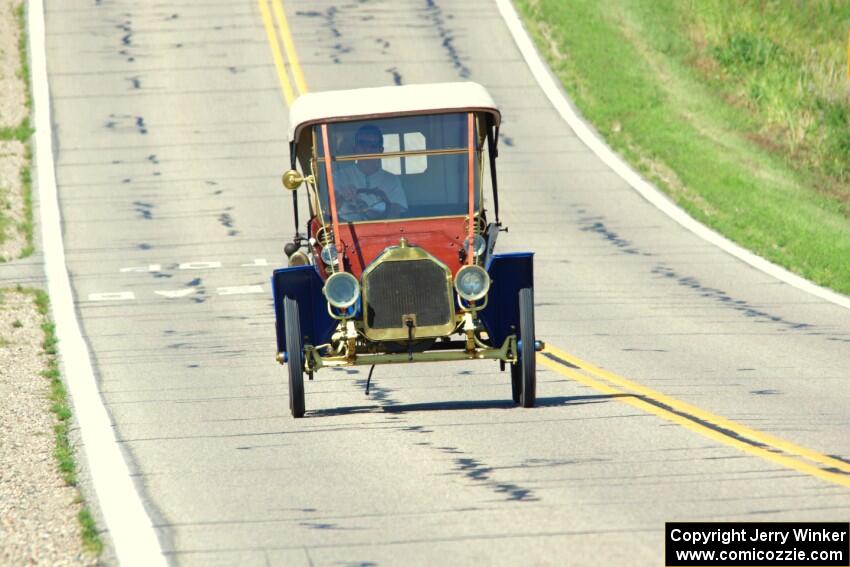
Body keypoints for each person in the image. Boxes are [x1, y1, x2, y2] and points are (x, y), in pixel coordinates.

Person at [334, 125, 407, 220]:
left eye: (373, 146)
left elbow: (393, 217)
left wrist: (367, 209)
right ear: (355, 148)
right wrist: (342, 195)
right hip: (345, 230)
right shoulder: (338, 177)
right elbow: (328, 213)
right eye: (362, 144)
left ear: (381, 151)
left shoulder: (392, 181)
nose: (367, 150)